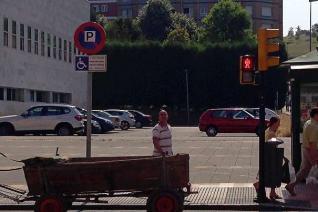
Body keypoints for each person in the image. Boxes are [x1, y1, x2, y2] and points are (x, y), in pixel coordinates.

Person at [285, 107, 318, 196]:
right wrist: (314, 157)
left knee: (304, 171)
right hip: (311, 151)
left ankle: (291, 185)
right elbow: (312, 143)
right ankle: (291, 185)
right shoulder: (314, 126)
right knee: (305, 171)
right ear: (315, 115)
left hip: (305, 149)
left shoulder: (308, 122)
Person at [253, 116, 281, 200]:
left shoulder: (268, 130)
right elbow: (272, 144)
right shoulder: (271, 133)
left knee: (270, 173)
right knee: (270, 173)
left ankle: (272, 192)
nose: (279, 125)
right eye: (278, 123)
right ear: (275, 123)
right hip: (270, 156)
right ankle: (258, 185)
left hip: (267, 155)